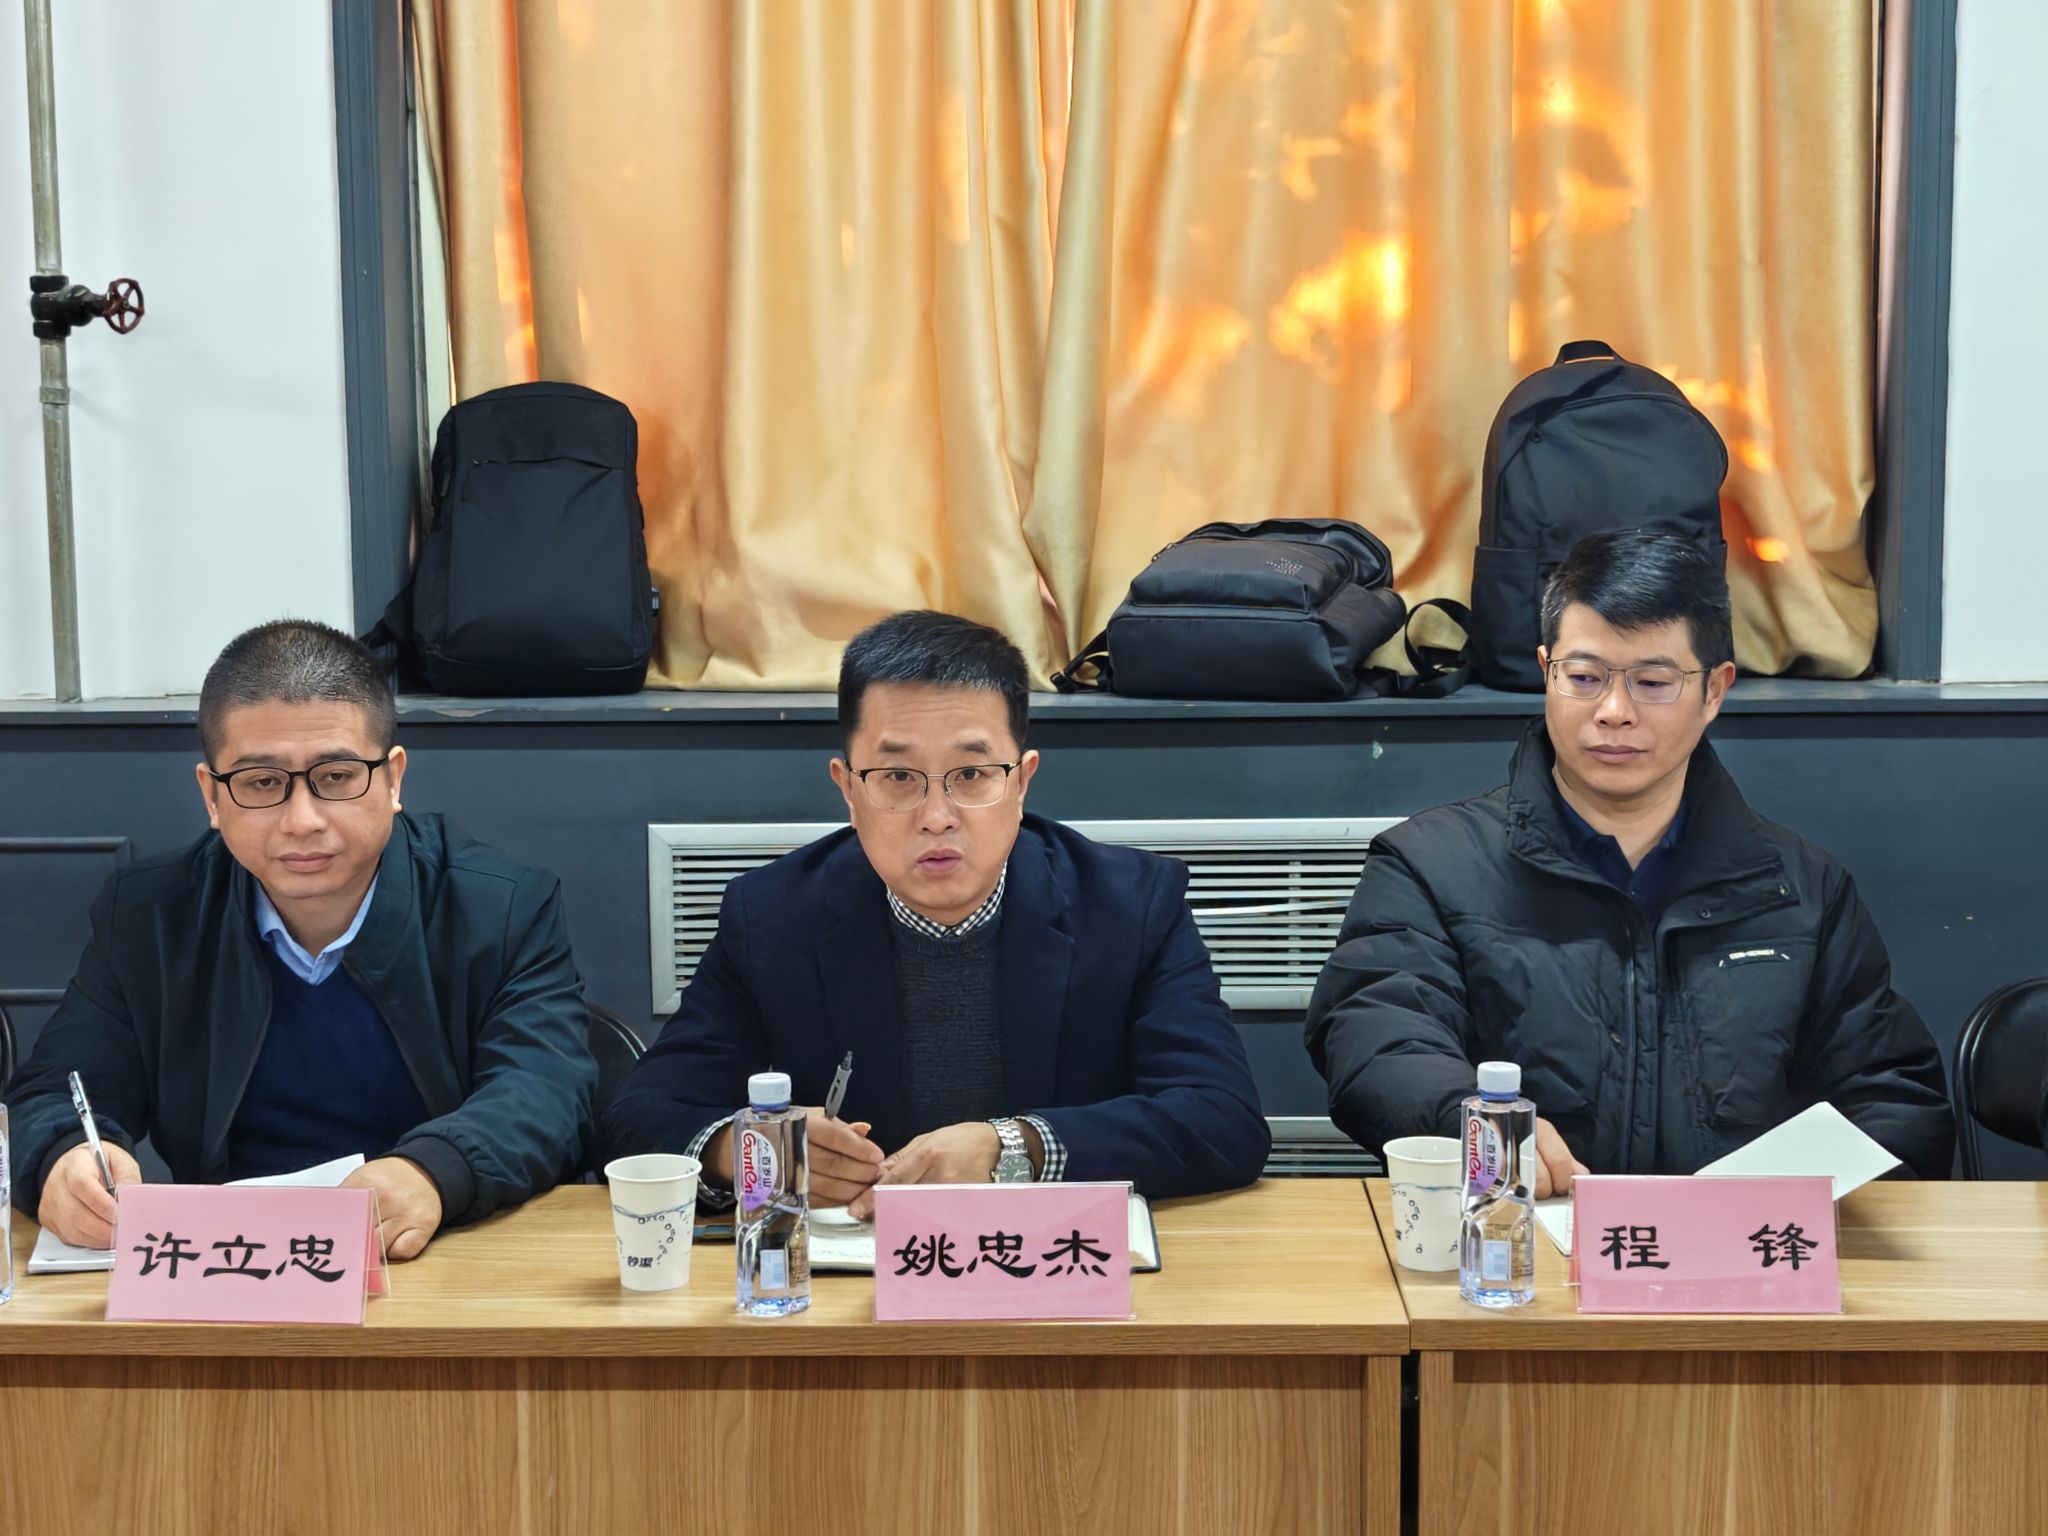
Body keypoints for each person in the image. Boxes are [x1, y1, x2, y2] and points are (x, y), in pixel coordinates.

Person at [1307, 531, 1953, 1189]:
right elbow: (1377, 1042)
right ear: (1546, 672)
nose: (1614, 712)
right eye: (1584, 678)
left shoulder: (1801, 888)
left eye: (1652, 682)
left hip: (1739, 1245)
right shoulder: (1430, 865)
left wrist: (1801, 1195)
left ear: (1715, 691)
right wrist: (1470, 1121)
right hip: (1520, 1231)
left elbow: (1893, 1096)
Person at [603, 610, 1269, 1211]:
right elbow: (641, 1117)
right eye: (897, 777)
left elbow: (1222, 1119)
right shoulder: (773, 915)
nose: (937, 816)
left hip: (1058, 1270)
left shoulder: (1131, 906)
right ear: (848, 789)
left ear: (1022, 781)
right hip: (854, 1282)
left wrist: (1018, 1147)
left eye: (971, 775)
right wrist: (752, 1152)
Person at [8, 620, 597, 1258]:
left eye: (337, 776)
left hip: (434, 1248)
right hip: (228, 1264)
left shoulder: (501, 905)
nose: (302, 820)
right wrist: (65, 1156)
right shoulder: (150, 916)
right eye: (262, 783)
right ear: (212, 796)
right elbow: (58, 1087)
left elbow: (546, 1091)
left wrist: (433, 1170)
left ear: (393, 779)